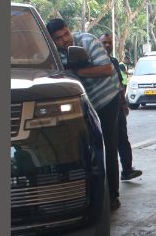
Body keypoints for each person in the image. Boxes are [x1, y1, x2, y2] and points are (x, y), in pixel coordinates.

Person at [46, 19, 123, 211]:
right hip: (86, 105)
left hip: (108, 99)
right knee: (88, 150)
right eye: (58, 38)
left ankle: (113, 196)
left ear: (69, 30)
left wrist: (78, 72)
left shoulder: (88, 41)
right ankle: (89, 196)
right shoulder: (54, 55)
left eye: (66, 34)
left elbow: (107, 69)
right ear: (52, 40)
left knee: (109, 147)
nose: (64, 40)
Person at [99, 33, 142, 181]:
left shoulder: (114, 61)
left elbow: (119, 84)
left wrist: (124, 104)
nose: (107, 45)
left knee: (122, 137)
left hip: (117, 106)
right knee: (105, 144)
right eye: (104, 43)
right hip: (101, 108)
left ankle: (127, 170)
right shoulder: (92, 63)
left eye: (109, 43)